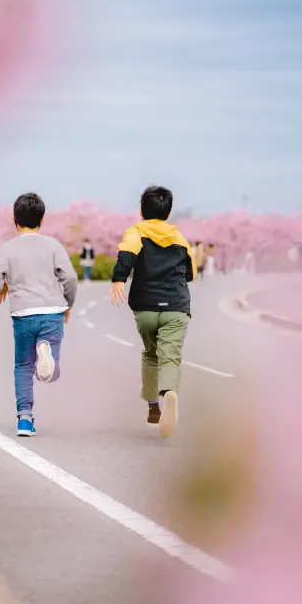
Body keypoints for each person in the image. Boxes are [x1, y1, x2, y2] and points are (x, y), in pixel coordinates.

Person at [0, 193, 77, 437]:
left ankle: (24, 419)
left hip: (23, 314)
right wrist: (68, 304)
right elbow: (69, 277)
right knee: (51, 371)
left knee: (23, 366)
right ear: (42, 220)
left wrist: (6, 282)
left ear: (14, 219)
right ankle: (46, 354)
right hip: (52, 313)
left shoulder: (7, 249)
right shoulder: (53, 245)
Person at [109, 185, 195, 439]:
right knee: (170, 356)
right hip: (176, 306)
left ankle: (153, 409)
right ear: (168, 213)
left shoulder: (136, 232)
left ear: (141, 211)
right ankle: (168, 392)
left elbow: (127, 255)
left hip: (145, 307)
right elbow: (191, 272)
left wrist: (118, 280)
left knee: (150, 354)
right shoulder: (179, 238)